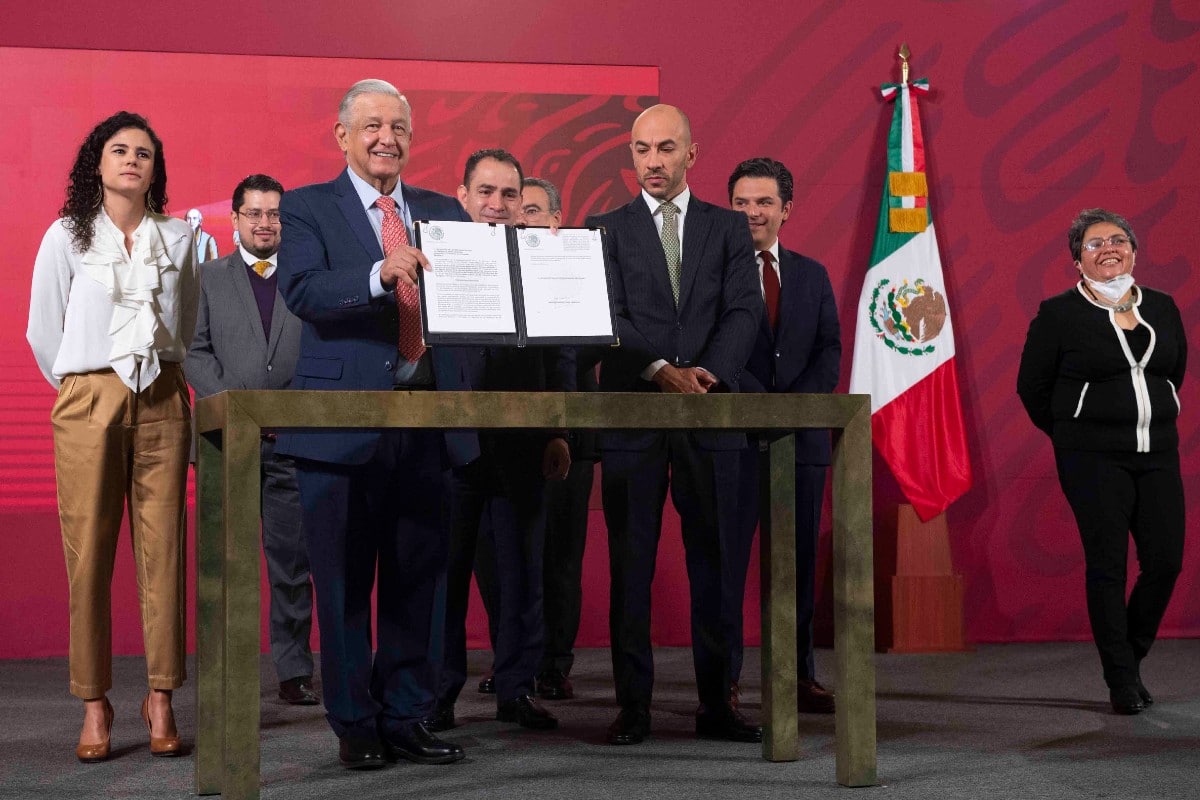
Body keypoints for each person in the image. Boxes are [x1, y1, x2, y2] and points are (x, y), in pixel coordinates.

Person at [274, 78, 471, 769]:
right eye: (372, 126)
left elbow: (476, 302)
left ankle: (406, 715)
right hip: (339, 427)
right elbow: (302, 291)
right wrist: (377, 275)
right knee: (343, 585)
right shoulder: (305, 209)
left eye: (399, 127)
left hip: (428, 421)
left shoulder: (446, 211)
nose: (387, 138)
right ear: (343, 136)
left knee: (420, 581)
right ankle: (356, 724)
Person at [584, 104, 762, 746]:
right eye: (640, 149)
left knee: (716, 568)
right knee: (630, 567)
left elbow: (744, 310)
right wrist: (661, 369)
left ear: (692, 153)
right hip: (634, 414)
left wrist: (708, 373)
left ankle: (719, 705)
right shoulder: (604, 229)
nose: (652, 161)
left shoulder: (728, 228)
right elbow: (606, 315)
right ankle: (634, 708)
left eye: (665, 148)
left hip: (711, 415)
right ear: (630, 156)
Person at [27, 111, 196, 761]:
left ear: (156, 169)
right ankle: (94, 702)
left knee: (164, 556)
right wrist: (85, 389)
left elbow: (185, 321)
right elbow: (46, 333)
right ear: (96, 163)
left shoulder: (178, 238)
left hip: (162, 396)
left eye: (144, 154)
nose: (132, 160)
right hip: (88, 396)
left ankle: (162, 697)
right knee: (89, 557)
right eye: (119, 150)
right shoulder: (64, 237)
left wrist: (159, 382)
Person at [1017, 208, 1186, 715]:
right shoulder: (1059, 314)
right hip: (1091, 460)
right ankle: (1121, 680)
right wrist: (1074, 433)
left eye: (1118, 240)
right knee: (1108, 566)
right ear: (1077, 260)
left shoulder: (1163, 306)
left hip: (1157, 451)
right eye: (1094, 244)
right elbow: (1033, 388)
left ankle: (1129, 658)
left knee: (1165, 562)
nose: (1108, 248)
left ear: (1134, 250)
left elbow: (1173, 371)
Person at [429, 152, 570, 733]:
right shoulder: (434, 255)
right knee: (445, 579)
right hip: (451, 445)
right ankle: (437, 697)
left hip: (522, 443)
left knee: (522, 578)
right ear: (462, 195)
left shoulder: (544, 262)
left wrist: (560, 428)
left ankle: (516, 689)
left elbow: (563, 352)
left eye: (509, 194)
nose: (497, 203)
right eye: (486, 191)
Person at [185, 174, 318, 707]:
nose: (266, 223)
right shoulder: (208, 277)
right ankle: (228, 668)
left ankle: (293, 670)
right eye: (254, 213)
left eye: (274, 214)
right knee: (228, 563)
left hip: (293, 440)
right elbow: (195, 353)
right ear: (236, 219)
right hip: (227, 442)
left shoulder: (308, 277)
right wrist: (234, 409)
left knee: (292, 562)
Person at [726, 157, 840, 714]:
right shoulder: (715, 274)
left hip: (801, 442)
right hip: (735, 439)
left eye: (764, 202)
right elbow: (713, 352)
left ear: (786, 210)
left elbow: (829, 350)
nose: (752, 212)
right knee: (725, 567)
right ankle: (722, 681)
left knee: (794, 570)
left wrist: (792, 408)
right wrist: (759, 404)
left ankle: (796, 678)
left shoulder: (812, 274)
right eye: (742, 202)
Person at [520, 176, 598, 702]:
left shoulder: (580, 265)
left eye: (531, 209)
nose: (520, 218)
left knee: (560, 559)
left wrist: (561, 429)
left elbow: (581, 352)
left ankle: (553, 664)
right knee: (510, 558)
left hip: (569, 431)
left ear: (554, 220)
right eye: (512, 208)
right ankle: (516, 663)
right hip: (504, 435)